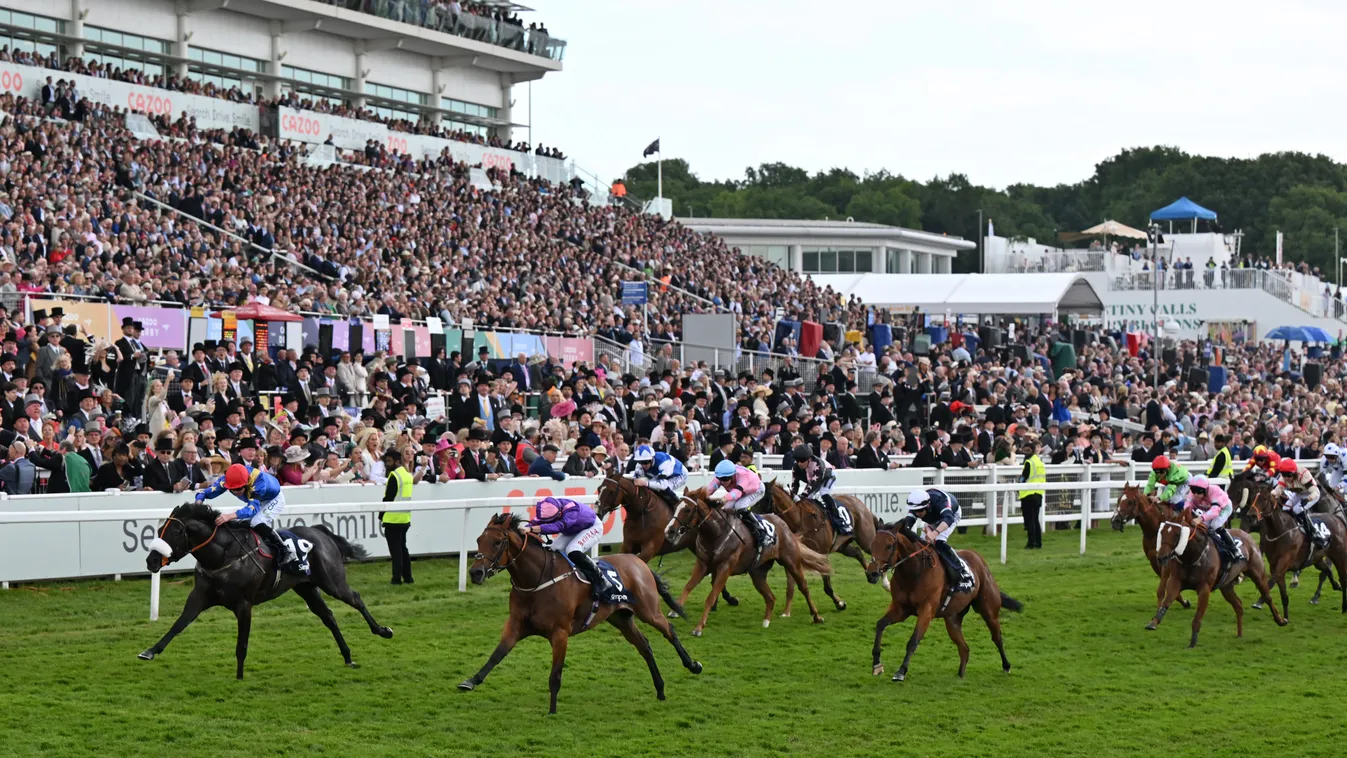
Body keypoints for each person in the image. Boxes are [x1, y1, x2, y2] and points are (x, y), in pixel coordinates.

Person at [197, 462, 305, 575]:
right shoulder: (226, 480)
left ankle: (285, 551)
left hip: (273, 499)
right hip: (257, 500)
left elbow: (251, 509)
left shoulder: (258, 482)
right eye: (232, 489)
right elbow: (203, 493)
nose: (236, 492)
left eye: (239, 488)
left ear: (246, 482)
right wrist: (198, 504)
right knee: (241, 523)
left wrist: (228, 516)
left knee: (256, 521)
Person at [522, 496, 614, 599]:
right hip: (573, 528)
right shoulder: (548, 508)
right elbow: (534, 523)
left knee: (573, 550)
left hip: (591, 527)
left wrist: (531, 529)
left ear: (559, 514)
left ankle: (601, 579)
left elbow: (558, 526)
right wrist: (523, 530)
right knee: (552, 548)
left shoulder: (571, 511)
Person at [899, 488, 965, 587]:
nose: (917, 514)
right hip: (934, 518)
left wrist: (934, 533)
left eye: (920, 511)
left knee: (939, 541)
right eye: (915, 511)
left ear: (928, 505)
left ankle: (961, 571)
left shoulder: (941, 501)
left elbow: (948, 518)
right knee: (922, 545)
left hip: (950, 516)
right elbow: (906, 526)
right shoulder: (917, 506)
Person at [705, 459, 769, 549]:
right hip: (742, 492)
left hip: (757, 489)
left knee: (740, 506)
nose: (723, 481)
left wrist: (722, 500)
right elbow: (711, 488)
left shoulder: (743, 476)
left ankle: (761, 531)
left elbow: (737, 493)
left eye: (726, 479)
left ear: (733, 475)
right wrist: (703, 496)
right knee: (725, 509)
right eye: (721, 479)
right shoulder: (721, 475)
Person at [789, 444, 850, 535]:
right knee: (807, 499)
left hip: (828, 476)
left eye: (802, 460)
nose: (799, 463)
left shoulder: (818, 464)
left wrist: (802, 496)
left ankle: (839, 518)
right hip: (814, 481)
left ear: (809, 458)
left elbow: (813, 484)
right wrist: (792, 495)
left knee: (824, 493)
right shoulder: (795, 467)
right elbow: (795, 483)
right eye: (797, 460)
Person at [380, 449, 416, 586]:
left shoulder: (395, 475)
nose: (386, 464)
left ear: (396, 461)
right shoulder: (407, 475)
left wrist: (381, 514)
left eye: (388, 461)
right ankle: (408, 577)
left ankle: (396, 579)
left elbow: (388, 497)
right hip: (405, 517)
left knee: (396, 552)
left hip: (393, 518)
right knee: (403, 549)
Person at [1272, 458, 1327, 549]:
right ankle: (1291, 528)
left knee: (1297, 509)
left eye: (1288, 475)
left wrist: (1308, 499)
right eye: (1284, 475)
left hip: (1311, 494)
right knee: (1285, 509)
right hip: (1299, 494)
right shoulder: (1284, 475)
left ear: (1294, 473)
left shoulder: (1303, 474)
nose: (1286, 478)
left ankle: (1313, 532)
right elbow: (1279, 489)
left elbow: (1315, 492)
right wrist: (1273, 493)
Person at [1184, 475, 1239, 561]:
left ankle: (1234, 549)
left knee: (1215, 525)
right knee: (1202, 527)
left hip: (1223, 508)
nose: (1195, 494)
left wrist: (1200, 518)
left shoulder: (1215, 491)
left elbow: (1215, 511)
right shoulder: (1193, 494)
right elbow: (1187, 506)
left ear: (1206, 490)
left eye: (1199, 492)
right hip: (1209, 509)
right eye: (1193, 491)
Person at [628, 443, 687, 510]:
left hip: (679, 475)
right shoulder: (640, 464)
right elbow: (635, 479)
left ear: (652, 458)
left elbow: (663, 485)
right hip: (660, 473)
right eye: (640, 462)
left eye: (645, 462)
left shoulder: (664, 462)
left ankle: (678, 506)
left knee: (663, 488)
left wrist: (646, 483)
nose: (643, 465)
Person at [1018, 438, 1046, 549]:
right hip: (1038, 493)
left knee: (1030, 520)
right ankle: (1038, 542)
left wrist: (1018, 483)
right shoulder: (1039, 462)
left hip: (1028, 494)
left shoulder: (1029, 462)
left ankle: (1031, 543)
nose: (1025, 453)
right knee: (1035, 520)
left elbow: (1024, 478)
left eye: (1027, 451)